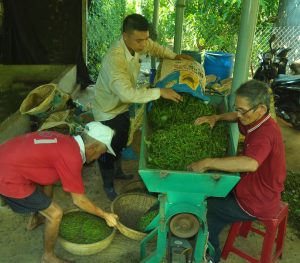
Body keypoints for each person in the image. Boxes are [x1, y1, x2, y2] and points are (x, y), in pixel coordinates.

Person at [92, 13, 192, 200]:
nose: (144, 44)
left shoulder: (139, 43)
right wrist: (159, 92)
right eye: (139, 40)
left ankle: (118, 170)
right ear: (124, 35)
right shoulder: (115, 59)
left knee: (121, 140)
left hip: (121, 106)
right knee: (105, 148)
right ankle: (108, 184)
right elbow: (127, 94)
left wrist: (174, 55)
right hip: (106, 109)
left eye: (145, 38)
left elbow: (155, 48)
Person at [187, 80, 286, 262]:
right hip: (251, 187)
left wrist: (208, 162)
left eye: (242, 110)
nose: (239, 115)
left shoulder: (265, 134)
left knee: (207, 212)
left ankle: (209, 256)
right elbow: (235, 116)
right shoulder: (256, 119)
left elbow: (250, 164)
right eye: (237, 108)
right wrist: (216, 118)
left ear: (261, 109)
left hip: (258, 200)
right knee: (210, 195)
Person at [0, 122, 119, 263]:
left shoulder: (65, 141)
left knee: (48, 185)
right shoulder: (72, 156)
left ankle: (35, 219)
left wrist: (44, 205)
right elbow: (79, 200)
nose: (100, 156)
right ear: (93, 147)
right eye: (102, 152)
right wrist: (104, 215)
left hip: (6, 158)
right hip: (7, 177)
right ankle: (48, 256)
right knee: (55, 213)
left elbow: (48, 177)